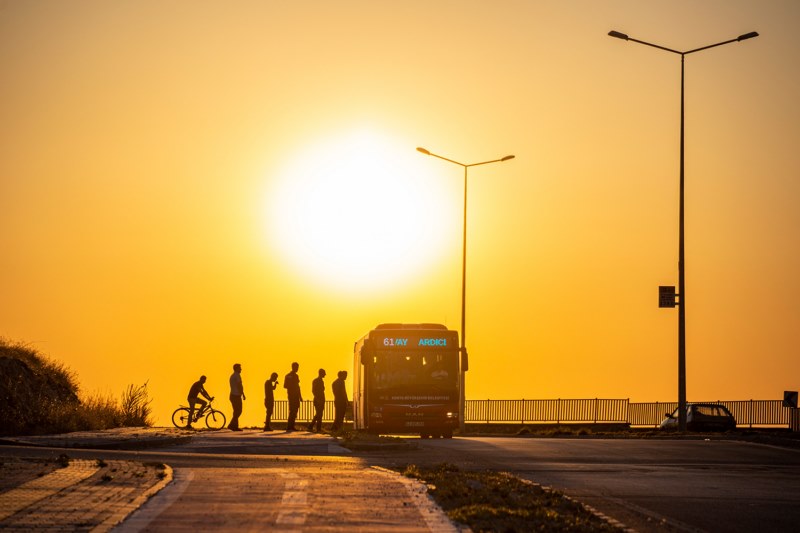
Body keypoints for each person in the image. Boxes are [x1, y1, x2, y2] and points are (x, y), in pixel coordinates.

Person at [284, 362, 302, 431]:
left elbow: (298, 387)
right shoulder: (288, 376)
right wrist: (292, 386)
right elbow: (285, 386)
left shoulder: (295, 376)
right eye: (296, 367)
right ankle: (289, 426)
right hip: (292, 396)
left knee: (295, 411)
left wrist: (300, 396)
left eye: (298, 367)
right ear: (293, 367)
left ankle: (292, 425)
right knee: (292, 410)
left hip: (296, 396)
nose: (297, 369)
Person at [228, 363, 246, 431]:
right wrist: (243, 394)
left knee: (236, 411)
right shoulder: (237, 375)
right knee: (238, 411)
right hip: (236, 395)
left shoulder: (233, 375)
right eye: (240, 368)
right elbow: (239, 385)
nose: (241, 369)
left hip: (233, 395)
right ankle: (232, 425)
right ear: (236, 368)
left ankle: (234, 425)